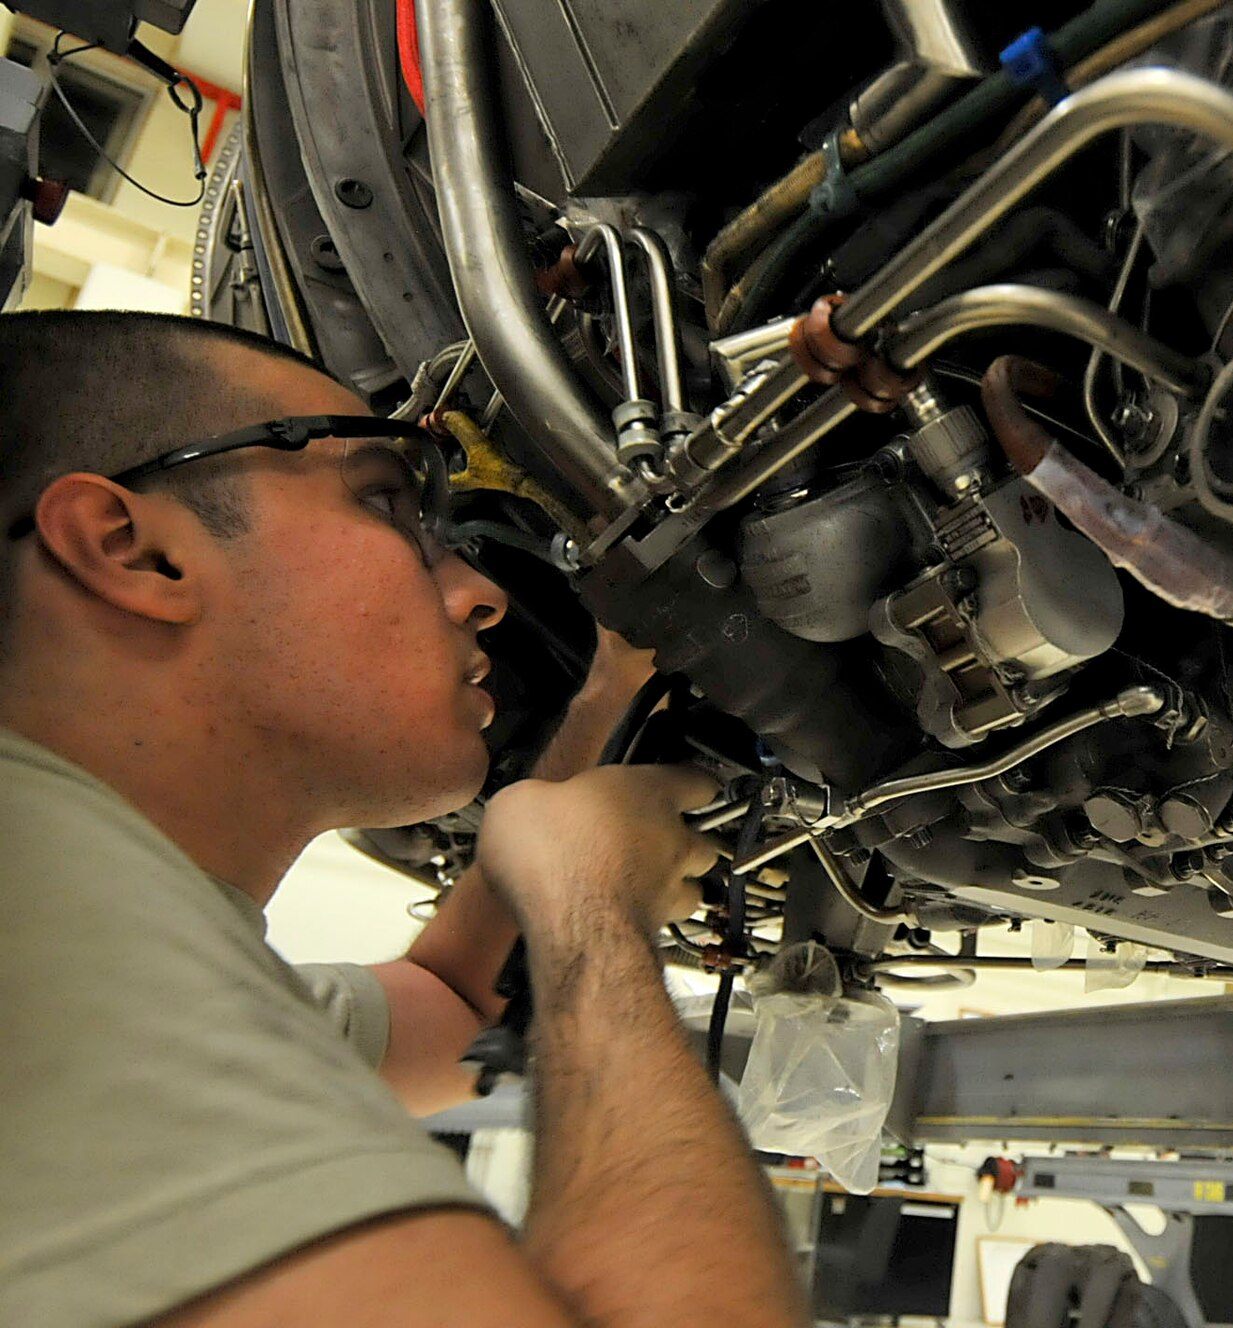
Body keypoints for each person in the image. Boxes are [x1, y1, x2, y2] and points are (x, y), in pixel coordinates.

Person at [0, 310, 808, 1328]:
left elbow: (450, 1004)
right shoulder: (39, 947)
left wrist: (605, 695)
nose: (478, 592)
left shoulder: (104, 935)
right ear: (138, 553)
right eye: (386, 501)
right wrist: (589, 910)